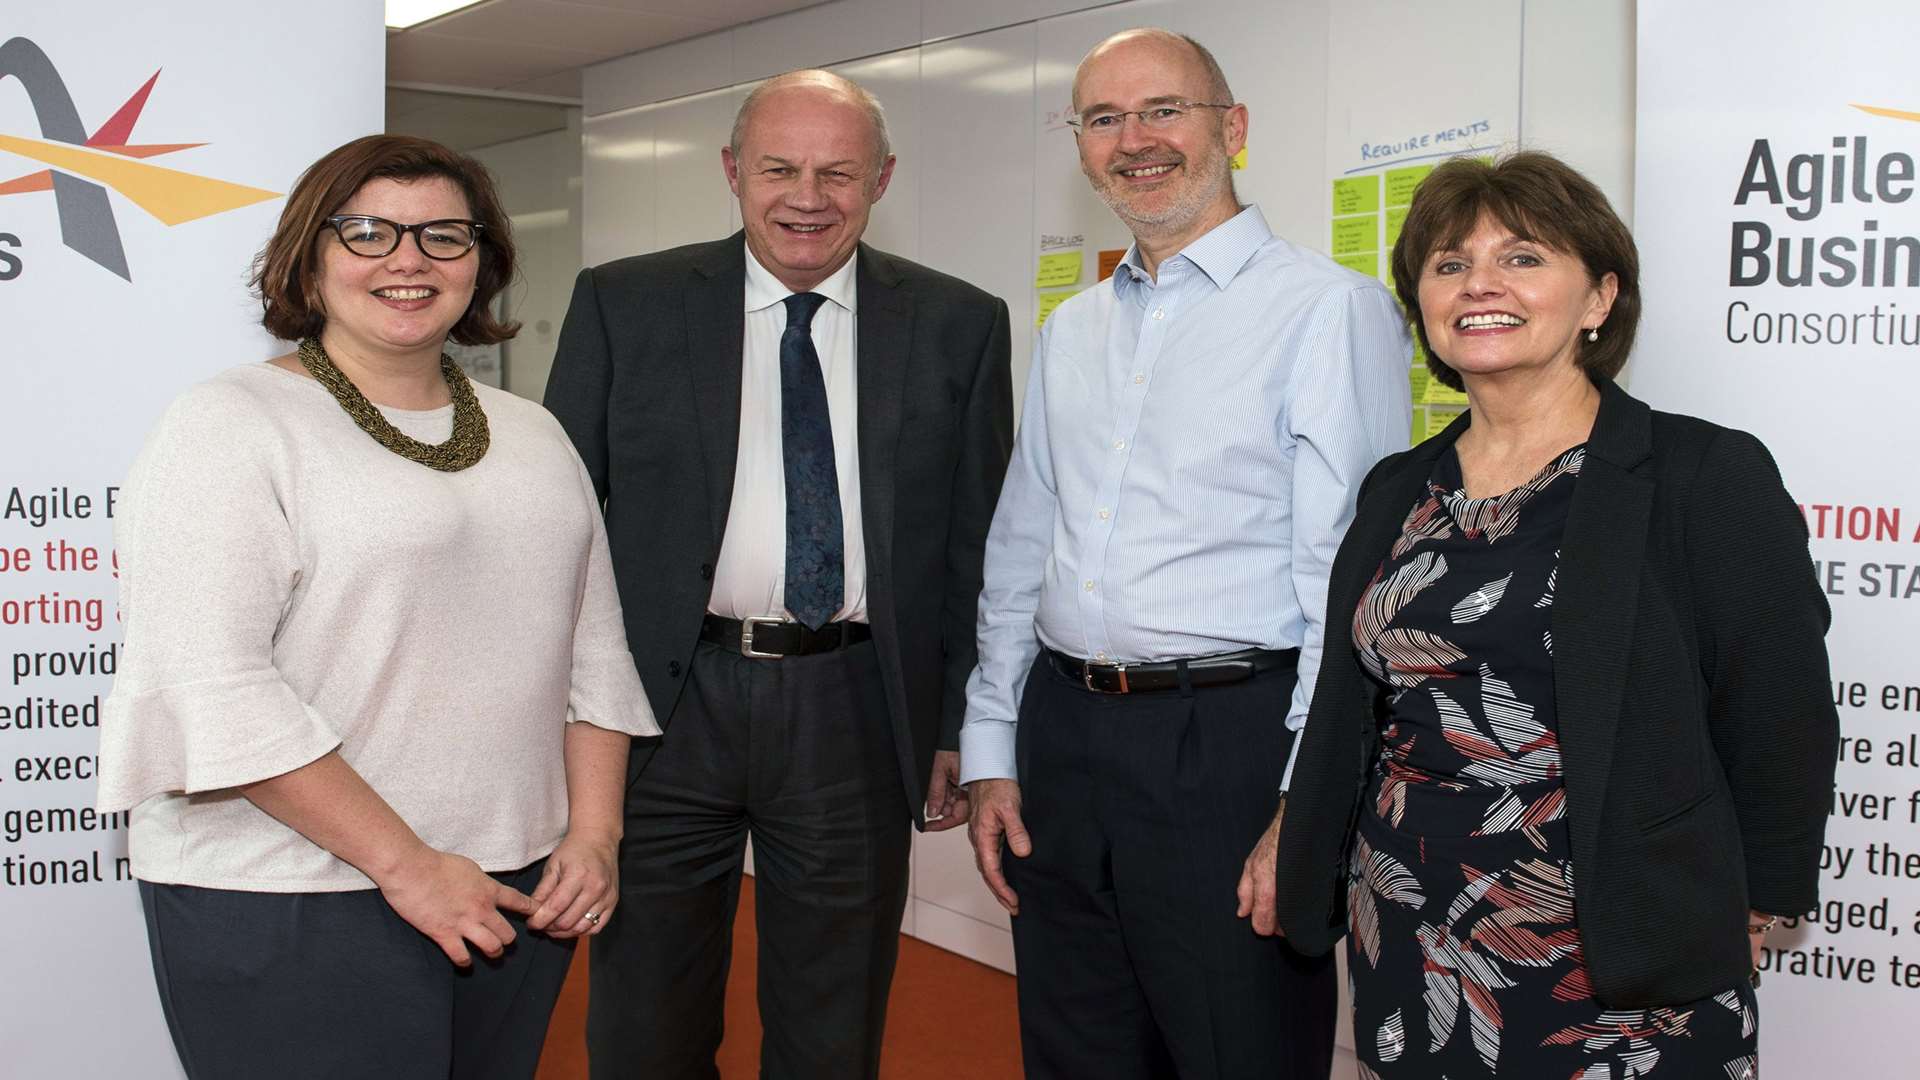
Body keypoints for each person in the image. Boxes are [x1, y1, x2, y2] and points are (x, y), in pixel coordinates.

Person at [94, 134, 659, 1080]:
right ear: (310, 260)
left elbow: (594, 655)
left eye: (444, 235)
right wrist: (407, 866)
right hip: (296, 891)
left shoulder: (535, 433)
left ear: (482, 263)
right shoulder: (227, 424)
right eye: (368, 232)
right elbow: (215, 685)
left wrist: (595, 836)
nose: (408, 259)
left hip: (511, 888)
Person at [1271, 151, 1837, 1079]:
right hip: (1409, 913)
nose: (1480, 284)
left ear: (1600, 299)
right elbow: (1355, 703)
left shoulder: (1701, 475)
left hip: (1618, 937)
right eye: (1449, 264)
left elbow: (1780, 710)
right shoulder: (1396, 488)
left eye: (1523, 257)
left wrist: (1757, 897)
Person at [544, 69, 1013, 1079]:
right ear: (731, 173)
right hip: (662, 706)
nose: (809, 196)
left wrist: (953, 729)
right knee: (643, 1022)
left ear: (881, 179)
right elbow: (558, 528)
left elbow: (976, 545)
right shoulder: (625, 304)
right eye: (780, 169)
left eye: (838, 171)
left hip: (853, 703)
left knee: (831, 1025)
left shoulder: (958, 324)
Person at [961, 28, 1412, 1079]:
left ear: (1233, 129)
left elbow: (1350, 588)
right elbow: (1022, 547)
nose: (1135, 141)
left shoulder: (1327, 312)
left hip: (1233, 748)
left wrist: (1305, 802)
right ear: (1081, 149)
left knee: (1236, 1048)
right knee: (1076, 1052)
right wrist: (992, 747)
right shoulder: (1071, 331)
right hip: (1065, 741)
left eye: (1164, 110)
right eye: (1103, 119)